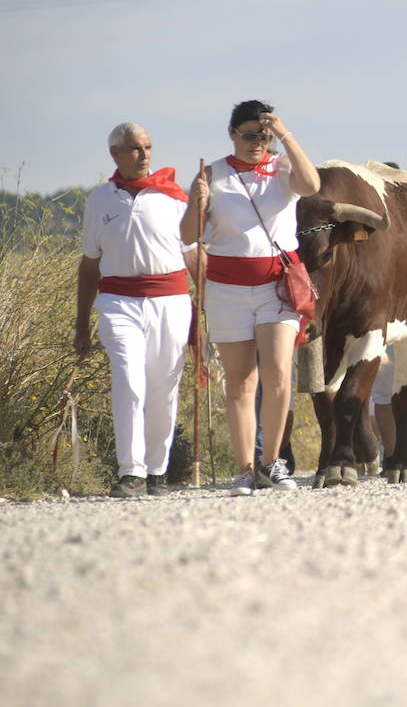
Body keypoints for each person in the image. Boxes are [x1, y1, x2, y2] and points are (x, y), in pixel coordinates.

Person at [183, 100, 320, 496]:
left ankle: (271, 463)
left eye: (263, 136)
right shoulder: (214, 174)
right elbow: (187, 235)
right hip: (226, 289)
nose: (257, 143)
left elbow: (312, 186)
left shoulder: (283, 168)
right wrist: (196, 199)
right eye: (248, 136)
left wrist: (286, 135)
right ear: (232, 135)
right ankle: (244, 469)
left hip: (276, 287)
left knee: (279, 373)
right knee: (241, 382)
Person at [76, 123, 193, 497]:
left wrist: (208, 306)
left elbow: (195, 255)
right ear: (115, 154)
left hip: (170, 301)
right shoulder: (99, 200)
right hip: (117, 302)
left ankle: (157, 469)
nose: (144, 155)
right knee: (128, 379)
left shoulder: (175, 198)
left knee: (164, 387)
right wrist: (81, 325)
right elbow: (89, 265)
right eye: (135, 148)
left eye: (148, 147)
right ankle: (131, 471)